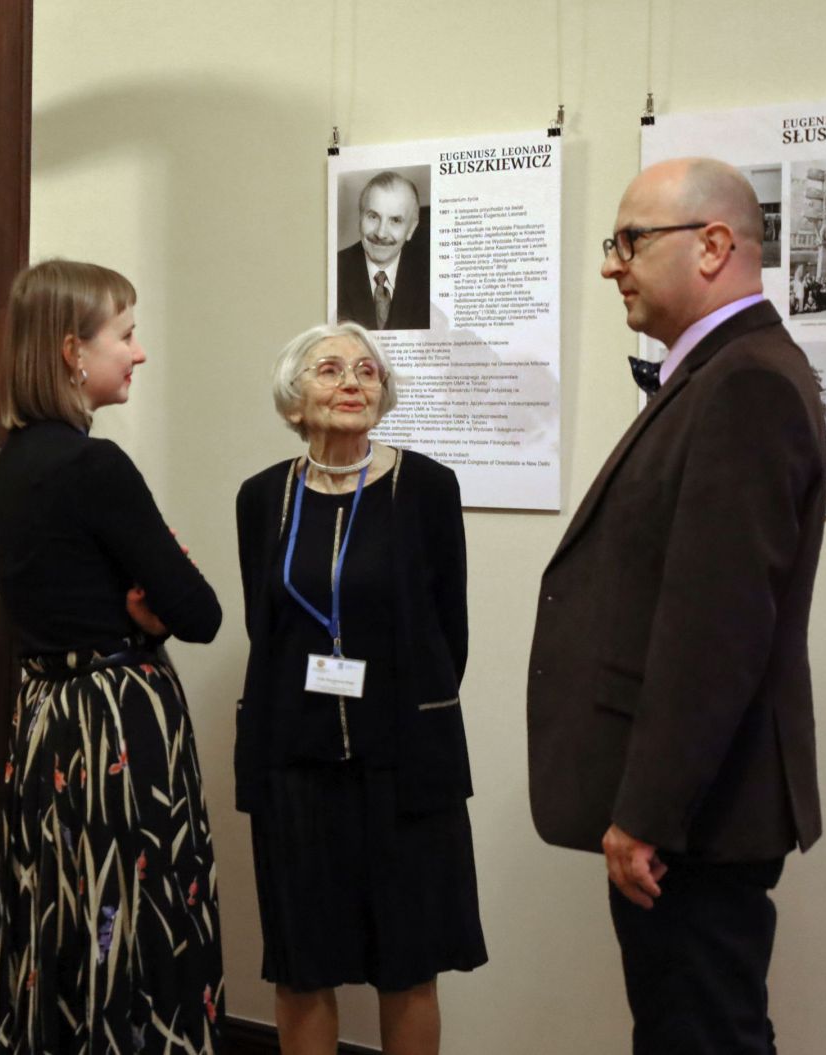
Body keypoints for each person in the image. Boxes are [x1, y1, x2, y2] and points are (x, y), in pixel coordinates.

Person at [528, 158, 826, 1053]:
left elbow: (718, 631)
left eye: (630, 240)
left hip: (697, 818)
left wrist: (649, 813)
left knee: (701, 1035)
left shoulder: (745, 383)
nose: (610, 264)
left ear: (713, 245)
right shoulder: (723, 373)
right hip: (693, 812)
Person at [0, 260, 224, 1054]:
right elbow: (201, 612)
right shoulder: (95, 466)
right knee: (128, 919)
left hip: (46, 722)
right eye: (125, 334)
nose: (138, 351)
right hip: (115, 728)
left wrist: (135, 602)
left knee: (61, 910)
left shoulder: (7, 467)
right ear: (71, 351)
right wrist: (146, 613)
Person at [234, 323, 484, 1055]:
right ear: (294, 400)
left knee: (408, 963)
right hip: (297, 765)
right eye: (330, 369)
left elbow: (449, 630)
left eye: (367, 371)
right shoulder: (263, 497)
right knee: (302, 966)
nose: (352, 381)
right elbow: (266, 626)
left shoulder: (427, 487)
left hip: (404, 765)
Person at [336, 171, 431, 331]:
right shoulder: (336, 269)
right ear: (360, 218)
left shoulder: (428, 277)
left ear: (411, 228)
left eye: (395, 220)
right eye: (373, 217)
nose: (381, 233)